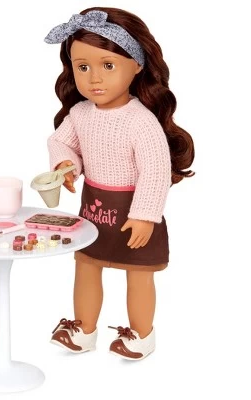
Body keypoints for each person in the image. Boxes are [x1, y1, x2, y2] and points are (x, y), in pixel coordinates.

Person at [45, 7, 194, 360]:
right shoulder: (79, 113)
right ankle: (84, 329)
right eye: (83, 67)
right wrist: (66, 164)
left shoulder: (141, 121)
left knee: (138, 275)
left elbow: (155, 170)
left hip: (134, 214)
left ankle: (141, 335)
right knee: (86, 266)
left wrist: (145, 215)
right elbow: (60, 141)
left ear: (137, 65)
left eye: (108, 65)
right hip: (94, 208)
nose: (94, 78)